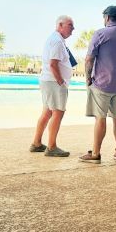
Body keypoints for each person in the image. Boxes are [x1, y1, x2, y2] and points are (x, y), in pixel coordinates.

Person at [79, 6, 116, 164]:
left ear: (107, 18)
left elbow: (89, 59)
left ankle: (96, 154)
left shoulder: (100, 34)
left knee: (100, 118)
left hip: (102, 84)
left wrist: (88, 79)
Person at [29, 15, 76, 157]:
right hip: (54, 82)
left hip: (49, 81)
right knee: (58, 112)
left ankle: (36, 143)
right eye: (70, 25)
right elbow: (53, 64)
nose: (73, 29)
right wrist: (61, 81)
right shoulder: (56, 41)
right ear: (60, 25)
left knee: (48, 112)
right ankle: (51, 146)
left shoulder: (56, 39)